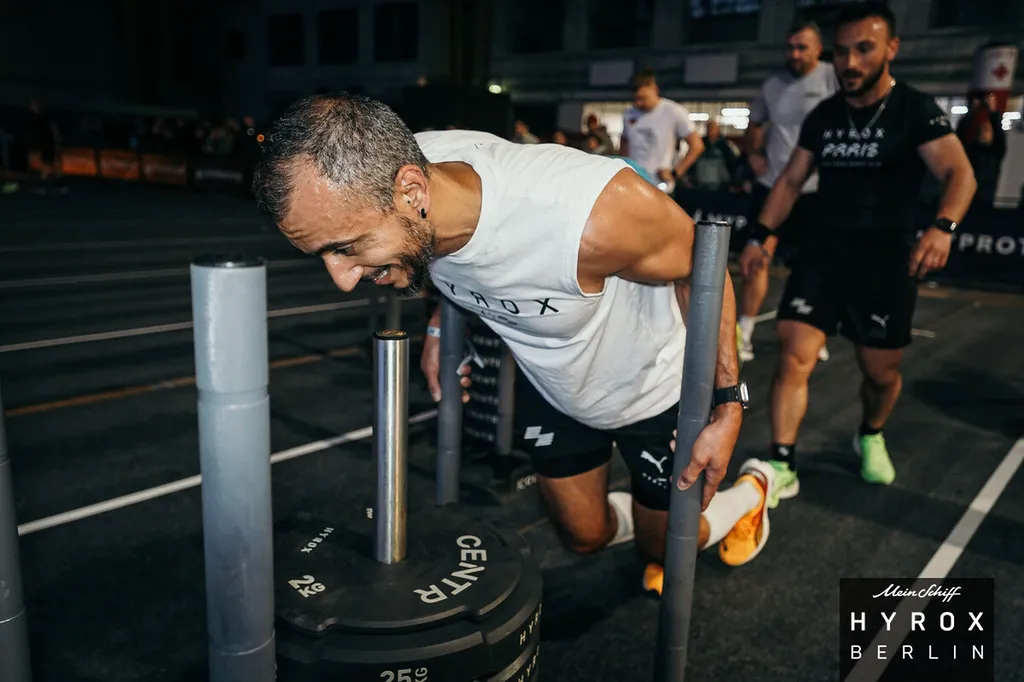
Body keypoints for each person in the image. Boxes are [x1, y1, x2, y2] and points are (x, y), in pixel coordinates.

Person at [251, 93, 782, 594]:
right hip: (552, 384)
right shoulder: (406, 167)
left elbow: (705, 271)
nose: (340, 279)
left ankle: (750, 492)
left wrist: (728, 403)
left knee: (663, 549)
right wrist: (440, 322)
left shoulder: (591, 214)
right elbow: (440, 248)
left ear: (412, 191)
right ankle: (648, 512)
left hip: (650, 384)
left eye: (345, 249)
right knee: (584, 538)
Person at [739, 2, 976, 503]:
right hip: (823, 255)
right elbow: (790, 180)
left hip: (885, 263)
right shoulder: (824, 115)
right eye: (842, 51)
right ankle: (783, 462)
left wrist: (943, 227)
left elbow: (960, 174)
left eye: (863, 49)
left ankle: (870, 432)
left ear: (891, 48)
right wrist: (760, 236)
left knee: (881, 375)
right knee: (793, 357)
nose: (850, 62)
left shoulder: (915, 110)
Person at [738, 20, 839, 364]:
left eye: (802, 47)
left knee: (816, 267)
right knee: (755, 260)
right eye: (791, 47)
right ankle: (744, 332)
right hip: (773, 189)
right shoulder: (773, 85)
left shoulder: (833, 77)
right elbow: (754, 124)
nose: (795, 54)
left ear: (818, 47)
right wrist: (753, 155)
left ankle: (814, 331)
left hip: (817, 193)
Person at [619, 68, 705, 195]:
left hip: (660, 185)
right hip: (633, 183)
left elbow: (697, 146)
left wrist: (675, 173)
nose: (638, 103)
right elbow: (625, 142)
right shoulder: (629, 114)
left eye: (643, 98)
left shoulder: (673, 111)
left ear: (655, 90)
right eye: (635, 99)